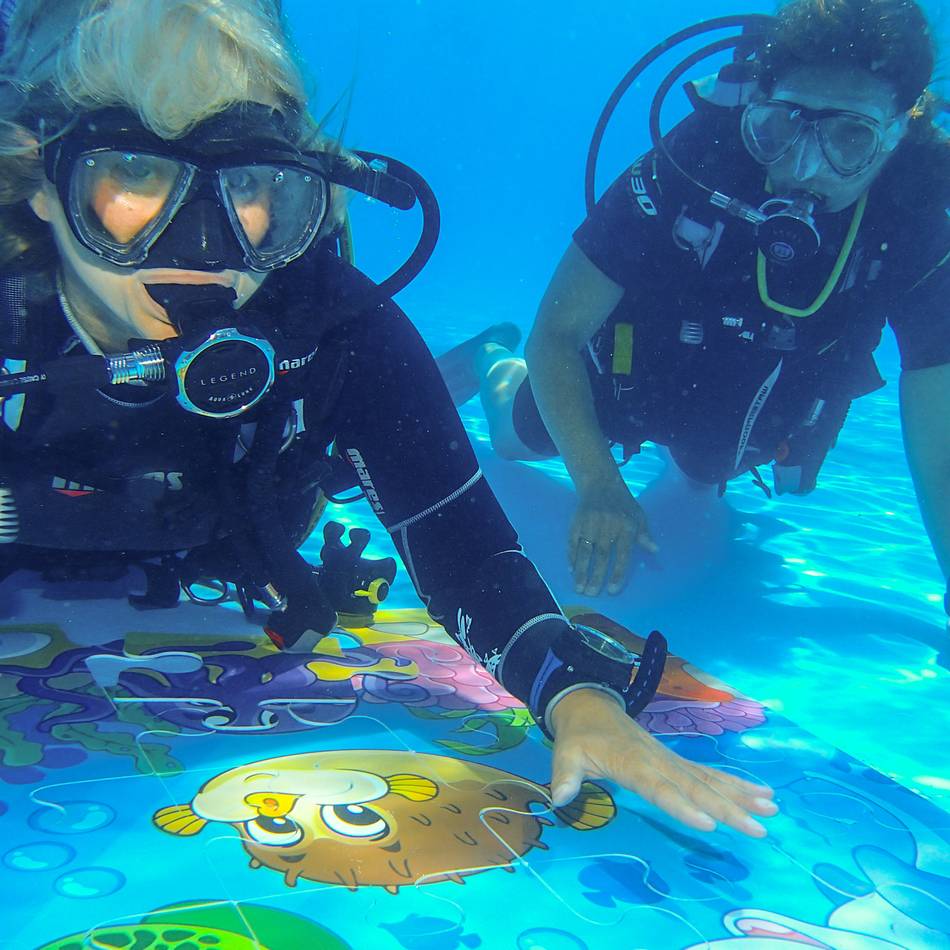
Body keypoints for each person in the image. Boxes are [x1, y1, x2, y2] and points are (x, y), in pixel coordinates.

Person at [0, 0, 777, 837]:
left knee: (358, 432)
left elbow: (462, 544)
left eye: (250, 184)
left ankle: (451, 372)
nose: (203, 247)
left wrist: (578, 698)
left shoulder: (330, 327)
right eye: (136, 172)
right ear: (39, 181)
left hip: (238, 520)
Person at [443, 0, 950, 628]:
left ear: (902, 126)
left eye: (850, 137)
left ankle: (705, 453)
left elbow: (937, 405)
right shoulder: (697, 158)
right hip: (638, 370)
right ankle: (491, 354)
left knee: (712, 473)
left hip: (768, 399)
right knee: (514, 436)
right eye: (783, 127)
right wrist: (599, 485)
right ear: (758, 105)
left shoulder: (922, 210)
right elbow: (560, 333)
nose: (801, 168)